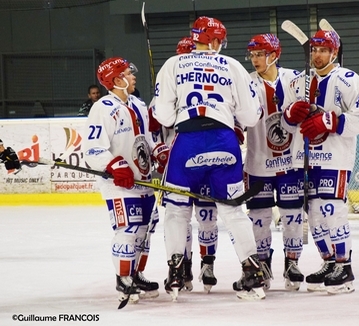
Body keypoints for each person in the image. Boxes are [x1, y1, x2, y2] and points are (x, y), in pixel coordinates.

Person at [152, 16, 265, 301]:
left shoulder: (173, 64)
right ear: (214, 41)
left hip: (186, 142)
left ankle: (177, 270)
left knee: (177, 210)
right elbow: (251, 116)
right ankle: (252, 272)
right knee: (233, 211)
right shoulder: (232, 65)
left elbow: (162, 116)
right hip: (224, 142)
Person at [281, 29, 359, 294]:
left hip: (335, 158)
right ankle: (329, 261)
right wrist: (289, 114)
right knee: (314, 214)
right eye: (314, 50)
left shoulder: (348, 79)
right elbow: (285, 123)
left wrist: (331, 120)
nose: (316, 55)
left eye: (322, 50)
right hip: (303, 157)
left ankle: (345, 266)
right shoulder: (298, 82)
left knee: (332, 210)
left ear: (334, 52)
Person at [83, 57, 168, 304]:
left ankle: (137, 274)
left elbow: (147, 138)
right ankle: (123, 278)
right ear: (117, 79)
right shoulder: (102, 107)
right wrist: (113, 164)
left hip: (144, 182)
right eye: (129, 74)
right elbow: (93, 148)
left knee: (145, 231)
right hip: (119, 186)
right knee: (128, 229)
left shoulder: (138, 104)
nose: (133, 77)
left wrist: (158, 151)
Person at [148, 35, 220, 294]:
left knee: (207, 217)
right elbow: (153, 131)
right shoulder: (166, 87)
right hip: (177, 165)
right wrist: (159, 148)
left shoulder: (212, 87)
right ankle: (181, 267)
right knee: (177, 217)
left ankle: (208, 264)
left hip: (205, 161)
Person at [238, 33, 304, 291]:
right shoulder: (245, 82)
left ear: (274, 55)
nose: (254, 59)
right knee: (259, 217)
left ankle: (292, 262)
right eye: (252, 55)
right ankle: (262, 264)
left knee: (292, 216)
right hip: (258, 163)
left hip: (291, 163)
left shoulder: (295, 79)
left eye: (260, 54)